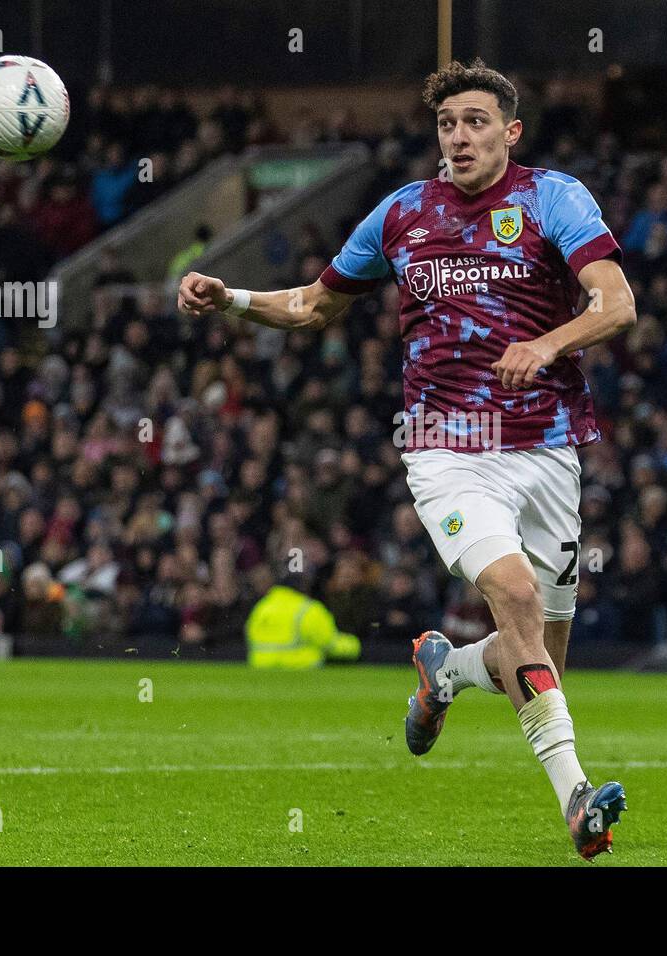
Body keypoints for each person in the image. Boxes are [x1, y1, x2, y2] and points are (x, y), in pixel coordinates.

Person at [177, 58, 635, 859]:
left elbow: (617, 301)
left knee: (538, 651)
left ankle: (447, 670)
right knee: (517, 598)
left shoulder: (551, 198)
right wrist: (236, 299)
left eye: (475, 122)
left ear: (510, 131)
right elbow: (316, 305)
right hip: (446, 450)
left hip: (549, 447)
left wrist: (548, 342)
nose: (459, 137)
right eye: (447, 124)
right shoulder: (399, 215)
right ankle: (576, 802)